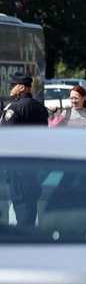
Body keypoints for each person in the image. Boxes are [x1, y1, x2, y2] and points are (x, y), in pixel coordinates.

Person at [1, 72, 49, 226]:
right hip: (36, 167)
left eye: (12, 85)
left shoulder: (14, 109)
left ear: (21, 87)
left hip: (18, 168)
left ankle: (24, 242)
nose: (10, 88)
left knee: (21, 207)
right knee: (30, 206)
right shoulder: (40, 108)